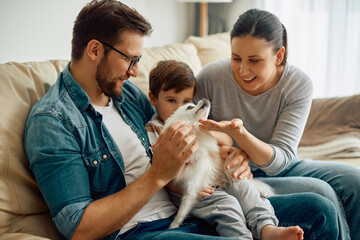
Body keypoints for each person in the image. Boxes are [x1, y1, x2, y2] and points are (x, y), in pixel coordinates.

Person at [23, 1, 340, 239]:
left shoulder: (126, 96)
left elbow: (180, 133)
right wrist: (158, 175)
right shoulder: (53, 122)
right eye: (130, 59)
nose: (135, 71)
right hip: (144, 232)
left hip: (191, 207)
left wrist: (230, 150)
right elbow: (78, 228)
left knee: (320, 209)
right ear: (94, 50)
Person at [195, 8, 360, 240]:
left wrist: (241, 136)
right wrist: (228, 151)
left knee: (355, 180)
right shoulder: (209, 78)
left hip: (281, 164)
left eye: (254, 60)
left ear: (279, 55)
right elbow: (197, 134)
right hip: (235, 175)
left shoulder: (297, 83)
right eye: (236, 58)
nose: (243, 70)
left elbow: (279, 161)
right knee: (323, 193)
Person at [145, 59, 304, 240]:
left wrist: (214, 135)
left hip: (216, 175)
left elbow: (226, 139)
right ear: (153, 98)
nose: (181, 107)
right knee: (226, 204)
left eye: (187, 101)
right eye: (172, 100)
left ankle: (267, 228)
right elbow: (157, 167)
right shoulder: (156, 129)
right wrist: (179, 188)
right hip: (188, 188)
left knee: (244, 188)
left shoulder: (197, 120)